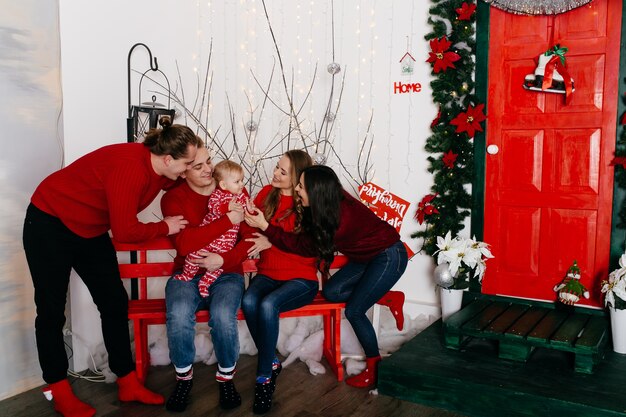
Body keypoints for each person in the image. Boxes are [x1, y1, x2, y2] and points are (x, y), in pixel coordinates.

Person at [22, 117, 201, 417]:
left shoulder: (166, 172)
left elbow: (186, 180)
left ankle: (127, 381)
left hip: (88, 230)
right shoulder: (131, 168)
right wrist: (164, 226)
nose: (190, 168)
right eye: (188, 163)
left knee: (114, 302)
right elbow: (126, 232)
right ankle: (58, 389)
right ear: (168, 158)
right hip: (49, 221)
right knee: (51, 311)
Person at [245, 165, 408, 389]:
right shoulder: (329, 200)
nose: (297, 190)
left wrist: (265, 227)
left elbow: (303, 246)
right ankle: (386, 295)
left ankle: (374, 367)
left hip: (388, 256)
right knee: (332, 292)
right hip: (365, 257)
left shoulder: (339, 221)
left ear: (316, 193)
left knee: (354, 310)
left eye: (301, 187)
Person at [161, 146, 255, 412]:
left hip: (227, 273)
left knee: (224, 316)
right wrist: (227, 220)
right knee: (179, 314)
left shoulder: (235, 189)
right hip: (188, 271)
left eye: (209, 162)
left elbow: (248, 237)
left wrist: (222, 260)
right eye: (197, 165)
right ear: (182, 171)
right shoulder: (173, 199)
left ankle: (226, 378)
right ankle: (184, 379)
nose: (208, 169)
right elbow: (184, 244)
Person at [241, 150, 318, 414]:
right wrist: (254, 228)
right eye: (276, 167)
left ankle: (263, 379)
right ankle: (272, 360)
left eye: (283, 172)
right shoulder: (266, 194)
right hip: (267, 273)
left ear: (296, 177)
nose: (275, 173)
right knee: (250, 300)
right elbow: (248, 228)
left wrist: (270, 239)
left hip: (301, 278)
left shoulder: (308, 204)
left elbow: (307, 248)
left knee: (268, 305)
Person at [174, 160, 249, 297]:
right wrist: (229, 211)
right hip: (208, 243)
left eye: (209, 161)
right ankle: (187, 275)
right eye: (237, 182)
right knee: (193, 256)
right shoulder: (218, 194)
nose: (241, 184)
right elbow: (213, 208)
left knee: (217, 268)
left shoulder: (241, 195)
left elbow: (249, 215)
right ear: (224, 184)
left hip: (226, 244)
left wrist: (251, 210)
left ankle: (205, 283)